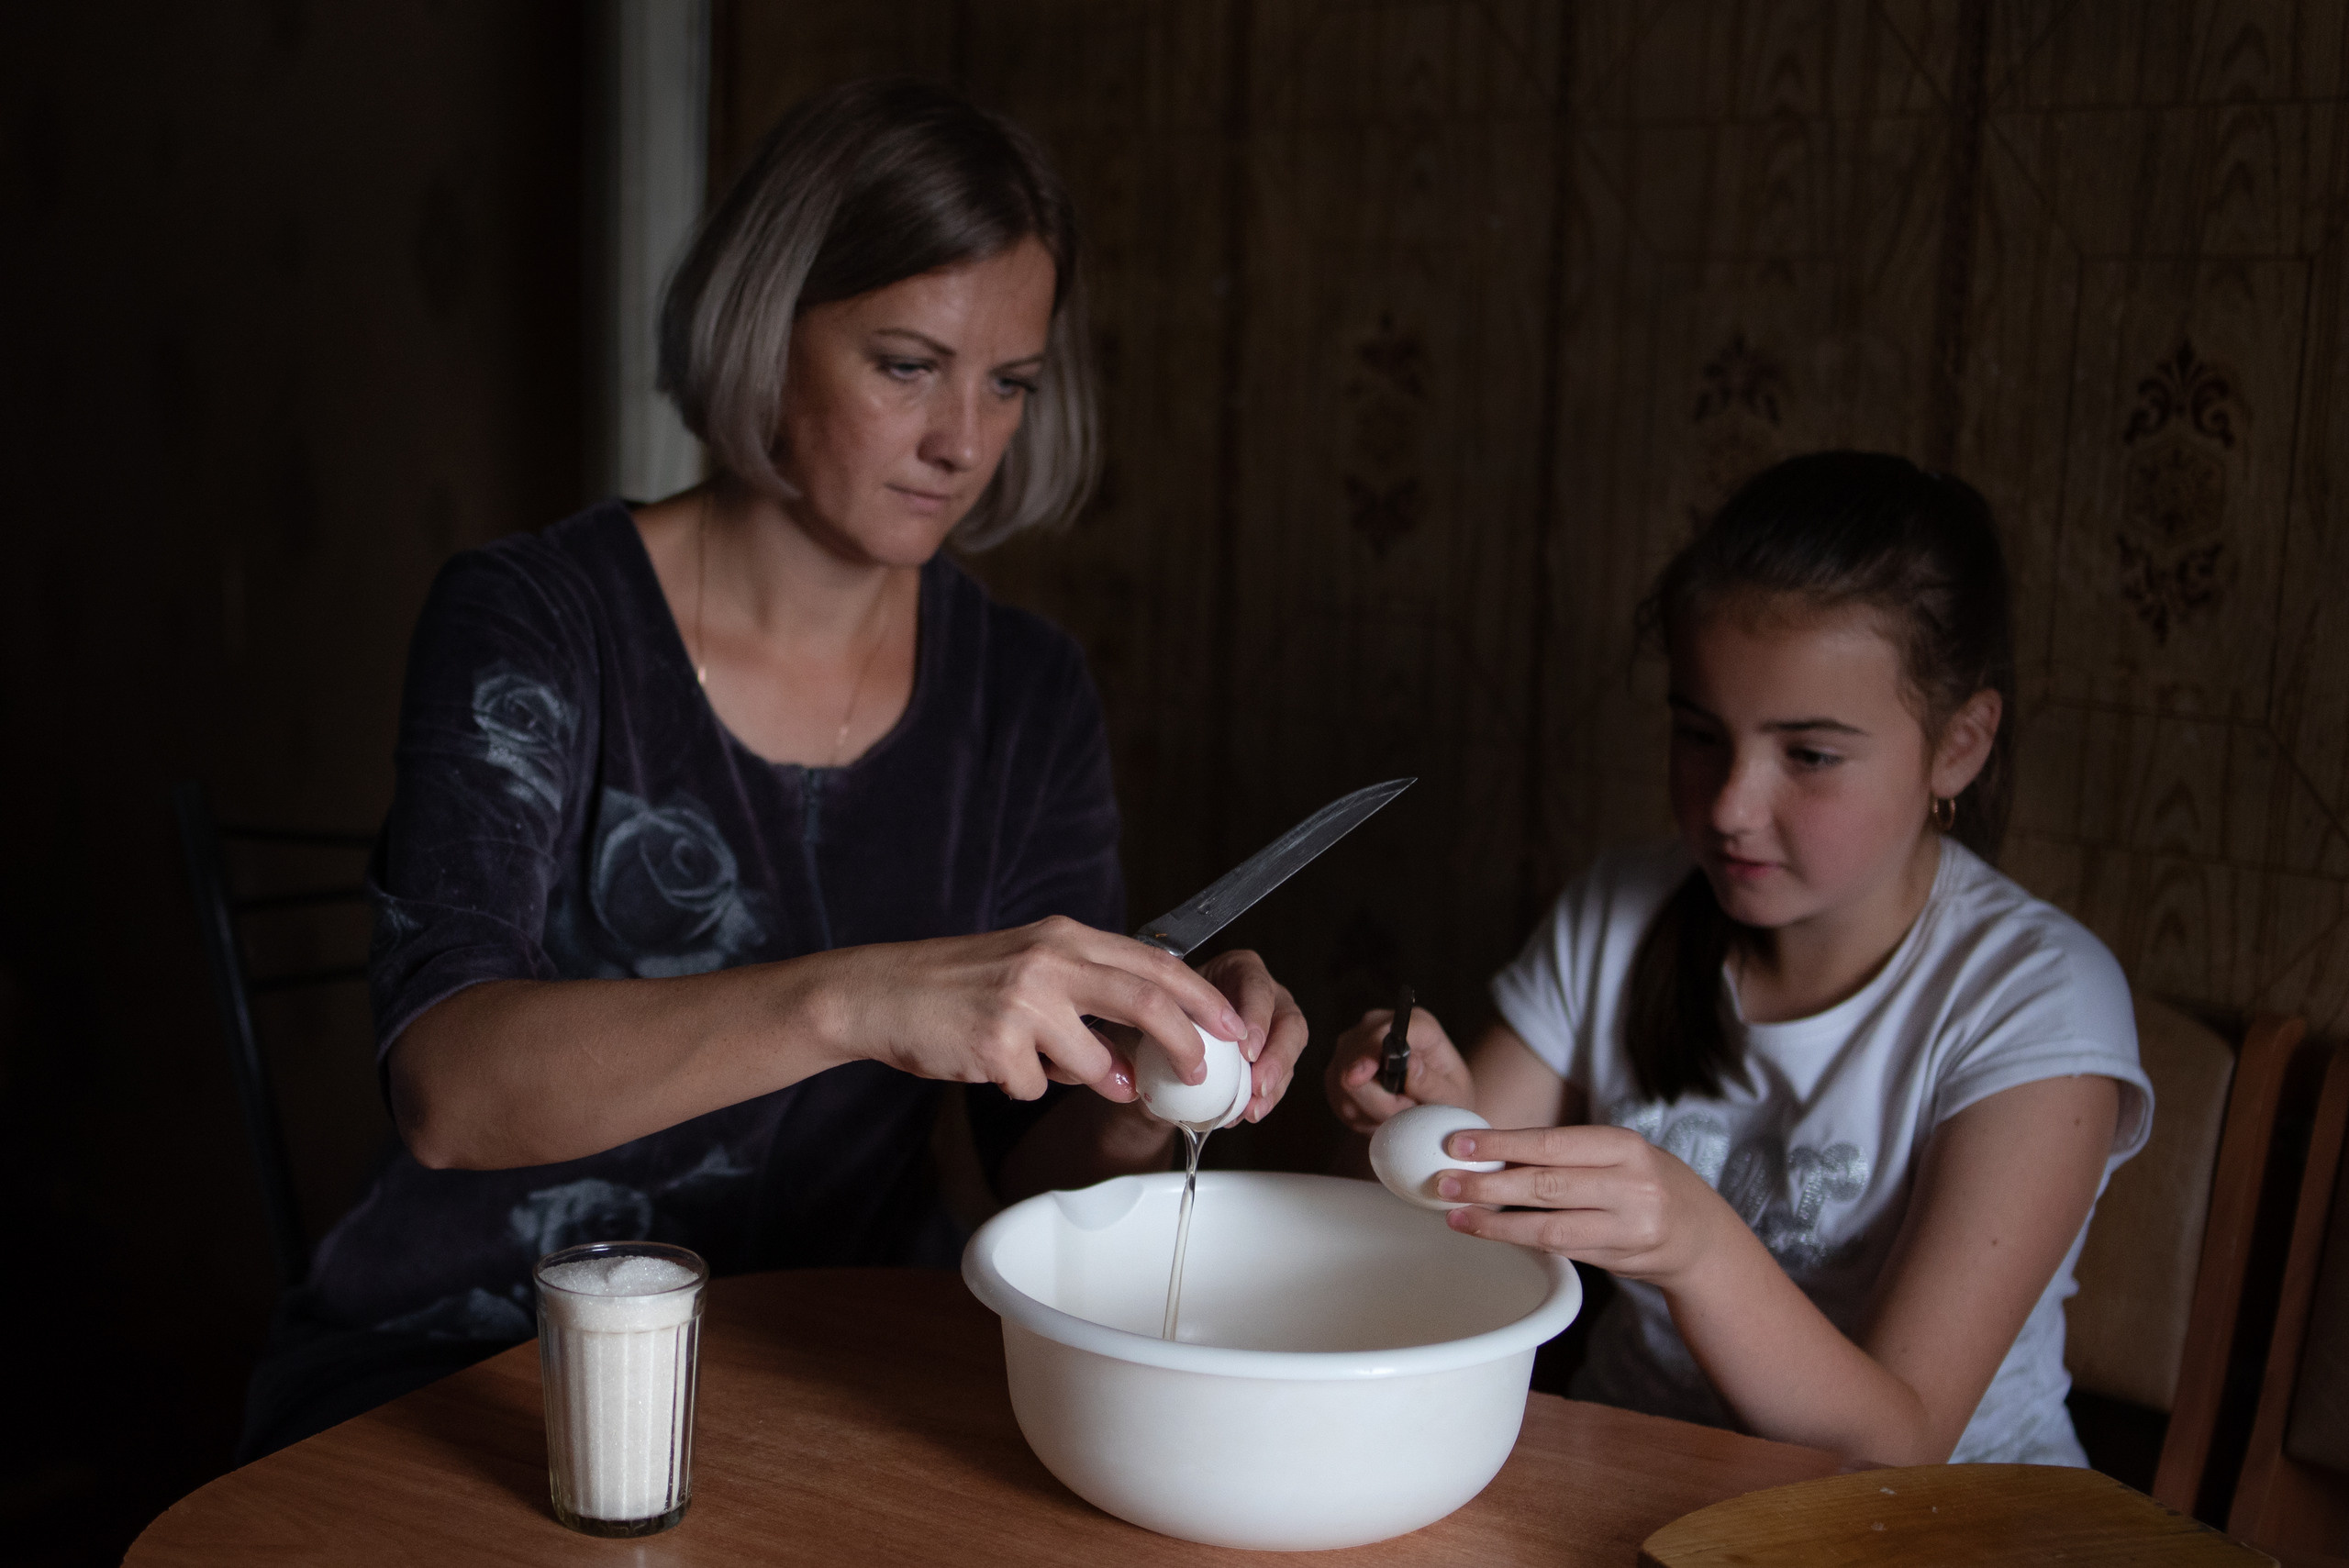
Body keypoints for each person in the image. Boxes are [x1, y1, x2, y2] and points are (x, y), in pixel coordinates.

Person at [240, 77, 1307, 1458]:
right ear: (764, 329)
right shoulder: (537, 617)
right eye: (907, 364)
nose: (963, 443)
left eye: (1010, 384)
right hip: (468, 1367)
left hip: (828, 1370)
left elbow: (1026, 1166)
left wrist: (1152, 1076)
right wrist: (859, 995)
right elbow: (448, 1088)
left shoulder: (1026, 692)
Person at [1327, 451, 2150, 1468]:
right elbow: (1412, 1249)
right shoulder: (1620, 912)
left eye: (1808, 754)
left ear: (1960, 745)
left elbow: (1896, 1444)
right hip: (1633, 1476)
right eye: (1698, 733)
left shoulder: (2037, 999)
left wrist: (1696, 1241)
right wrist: (1436, 1129)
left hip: (1942, 1527)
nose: (1727, 804)